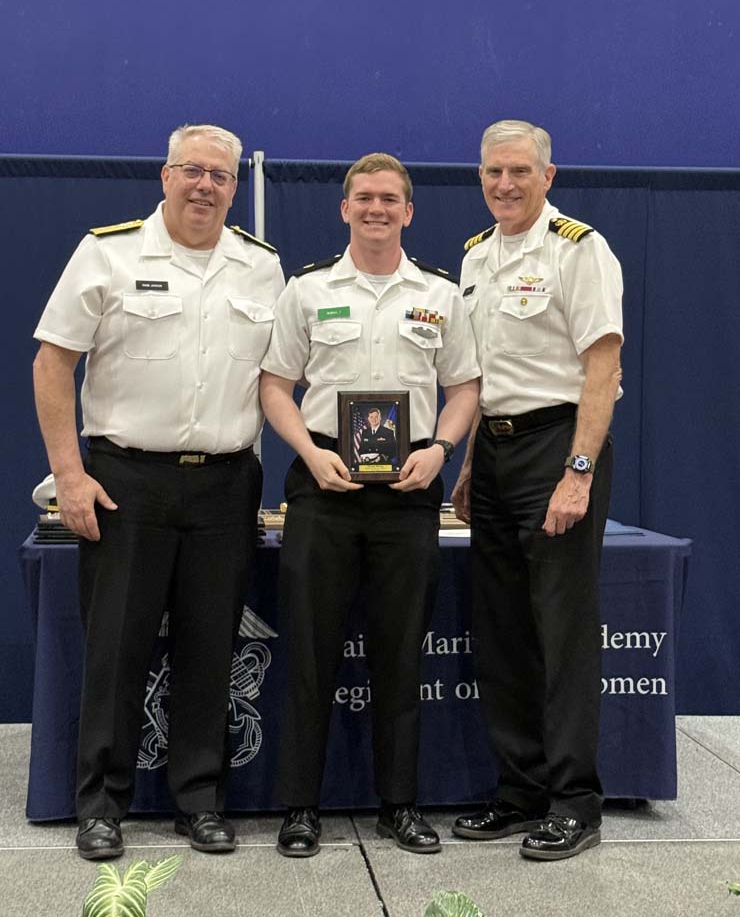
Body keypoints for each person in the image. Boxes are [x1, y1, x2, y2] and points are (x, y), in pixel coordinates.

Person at [32, 124, 285, 860]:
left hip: (227, 484)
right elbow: (52, 363)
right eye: (192, 171)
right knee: (117, 645)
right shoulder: (108, 252)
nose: (206, 186)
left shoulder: (260, 266)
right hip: (127, 482)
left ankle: (199, 800)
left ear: (235, 187)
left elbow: (279, 377)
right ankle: (100, 806)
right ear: (165, 175)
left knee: (211, 644)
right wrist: (69, 474)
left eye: (220, 175)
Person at [260, 153, 480, 858]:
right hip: (324, 484)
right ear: (344, 208)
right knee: (311, 649)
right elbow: (275, 385)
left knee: (401, 652)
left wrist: (442, 448)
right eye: (364, 197)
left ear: (408, 211)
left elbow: (464, 387)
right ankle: (300, 807)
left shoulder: (440, 294)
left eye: (389, 198)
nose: (376, 208)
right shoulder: (307, 289)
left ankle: (399, 805)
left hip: (410, 489)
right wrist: (308, 451)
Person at [451, 120, 623, 861]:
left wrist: (578, 472)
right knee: (503, 631)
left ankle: (574, 801)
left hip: (559, 446)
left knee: (562, 632)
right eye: (494, 171)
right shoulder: (475, 257)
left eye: (520, 171)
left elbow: (603, 367)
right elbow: (484, 375)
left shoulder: (579, 250)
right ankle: (519, 790)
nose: (506, 184)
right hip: (493, 452)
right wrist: (468, 465)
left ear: (548, 176)